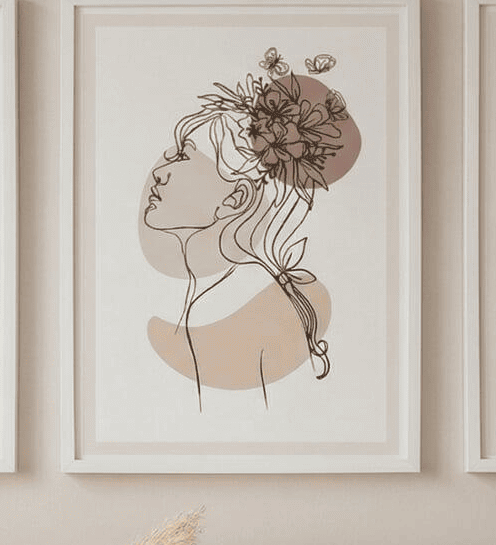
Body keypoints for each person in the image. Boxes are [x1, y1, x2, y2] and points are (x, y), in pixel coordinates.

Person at [139, 48, 360, 407]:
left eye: (184, 158)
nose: (159, 174)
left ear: (236, 198)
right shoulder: (221, 291)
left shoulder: (252, 308)